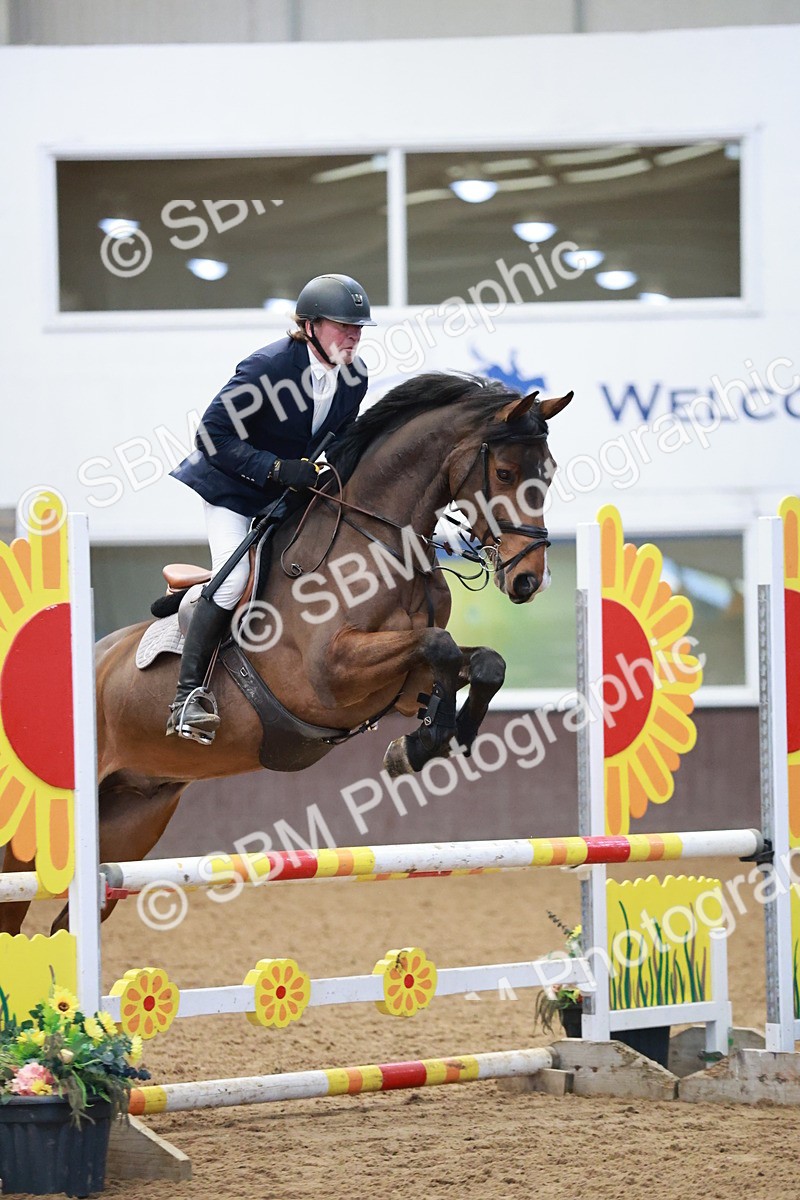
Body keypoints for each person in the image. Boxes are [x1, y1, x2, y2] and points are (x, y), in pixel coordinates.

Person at [167, 272, 374, 743]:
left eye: (359, 327)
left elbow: (343, 441)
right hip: (233, 491)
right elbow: (210, 436)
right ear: (310, 326)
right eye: (344, 325)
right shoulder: (268, 368)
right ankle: (186, 697)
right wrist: (276, 469)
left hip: (287, 495)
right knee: (235, 578)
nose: (354, 335)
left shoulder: (355, 378)